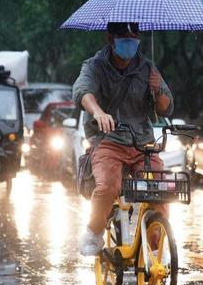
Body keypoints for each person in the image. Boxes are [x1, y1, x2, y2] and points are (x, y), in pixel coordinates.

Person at [73, 22, 174, 256]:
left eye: (134, 36)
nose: (130, 41)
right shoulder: (94, 65)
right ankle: (93, 231)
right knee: (108, 187)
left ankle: (156, 241)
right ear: (111, 39)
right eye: (124, 37)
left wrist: (157, 90)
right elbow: (82, 91)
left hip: (143, 143)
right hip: (108, 141)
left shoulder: (148, 68)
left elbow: (167, 108)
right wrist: (98, 112)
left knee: (160, 188)